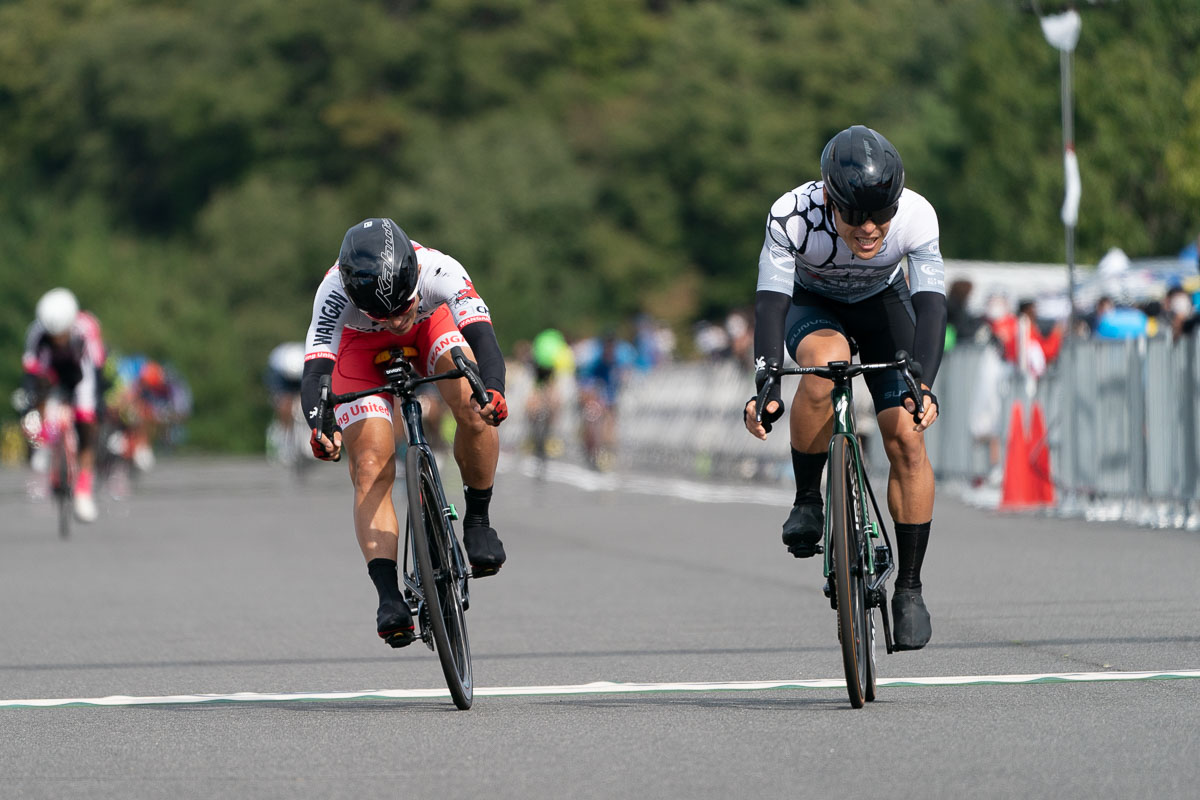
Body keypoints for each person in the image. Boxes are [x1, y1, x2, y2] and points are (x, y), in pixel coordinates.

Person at [743, 125, 945, 651]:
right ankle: (809, 499)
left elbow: (931, 307)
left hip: (884, 305)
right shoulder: (792, 215)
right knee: (825, 365)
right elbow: (770, 301)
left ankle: (910, 588)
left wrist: (924, 383)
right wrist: (765, 379)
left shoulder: (918, 217)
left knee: (906, 434)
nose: (870, 228)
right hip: (815, 306)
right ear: (829, 199)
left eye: (882, 213)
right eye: (855, 214)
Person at [302, 218, 508, 649]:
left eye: (403, 305)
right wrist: (320, 425)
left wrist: (493, 390)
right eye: (384, 312)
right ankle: (388, 593)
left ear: (415, 276)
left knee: (474, 407)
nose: (396, 321)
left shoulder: (440, 270)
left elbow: (483, 340)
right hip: (358, 350)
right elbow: (317, 370)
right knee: (372, 464)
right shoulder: (333, 292)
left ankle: (478, 520)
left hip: (431, 325)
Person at [18, 288, 107, 522]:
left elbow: (95, 370)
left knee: (87, 421)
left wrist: (96, 404)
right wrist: (29, 404)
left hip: (81, 372)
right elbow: (31, 371)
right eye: (52, 335)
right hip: (52, 372)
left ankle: (84, 491)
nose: (57, 340)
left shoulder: (87, 328)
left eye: (62, 334)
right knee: (34, 407)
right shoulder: (36, 332)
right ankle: (42, 446)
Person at [264, 342, 307, 464]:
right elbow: (279, 393)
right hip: (280, 377)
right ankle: (283, 435)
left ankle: (305, 438)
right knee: (284, 405)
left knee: (306, 402)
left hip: (301, 375)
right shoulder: (277, 367)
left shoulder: (305, 364)